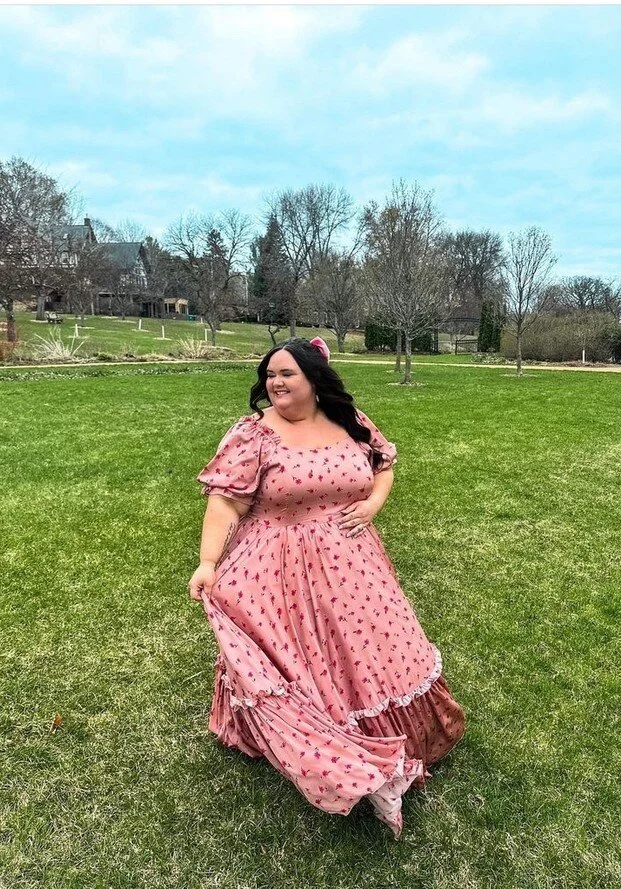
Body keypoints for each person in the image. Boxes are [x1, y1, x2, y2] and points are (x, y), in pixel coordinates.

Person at [189, 336, 465, 837]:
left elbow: (384, 463)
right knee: (298, 658)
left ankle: (388, 740)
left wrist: (373, 504)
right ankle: (336, 752)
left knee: (369, 650)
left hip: (354, 563)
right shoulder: (253, 434)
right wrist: (208, 562)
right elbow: (225, 502)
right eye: (270, 374)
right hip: (278, 565)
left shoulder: (349, 420)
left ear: (314, 379)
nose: (275, 383)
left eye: (286, 373)